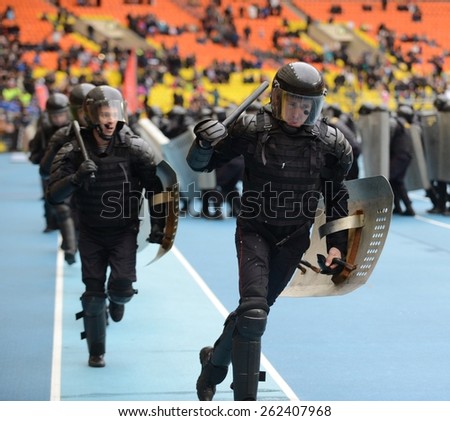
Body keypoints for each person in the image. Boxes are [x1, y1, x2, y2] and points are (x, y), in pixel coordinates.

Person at [186, 62, 353, 400]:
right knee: (254, 311)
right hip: (255, 231)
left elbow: (337, 196)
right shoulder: (251, 129)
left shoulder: (330, 144)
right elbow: (201, 164)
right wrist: (204, 142)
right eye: (293, 103)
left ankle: (213, 362)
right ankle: (242, 399)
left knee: (254, 312)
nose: (298, 112)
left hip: (294, 239)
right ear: (277, 99)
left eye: (307, 106)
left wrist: (338, 245)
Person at [47, 86, 167, 368]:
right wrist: (76, 178)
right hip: (89, 231)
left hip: (125, 230)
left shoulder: (135, 148)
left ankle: (118, 298)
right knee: (92, 297)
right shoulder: (73, 150)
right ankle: (96, 352)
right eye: (103, 113)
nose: (110, 119)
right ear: (91, 116)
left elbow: (157, 187)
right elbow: (54, 194)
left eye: (113, 112)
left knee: (123, 289)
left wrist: (160, 226)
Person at [40, 83, 96, 264]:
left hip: (96, 187)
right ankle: (70, 247)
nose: (86, 115)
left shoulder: (111, 130)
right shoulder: (61, 134)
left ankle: (73, 244)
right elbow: (43, 166)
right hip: (66, 177)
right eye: (81, 110)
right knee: (63, 210)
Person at [29, 92, 72, 232]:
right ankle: (50, 223)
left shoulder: (74, 129)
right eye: (55, 116)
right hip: (49, 171)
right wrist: (40, 158)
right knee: (49, 201)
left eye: (61, 115)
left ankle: (71, 229)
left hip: (69, 170)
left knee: (71, 202)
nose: (59, 119)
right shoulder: (44, 130)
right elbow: (34, 151)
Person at [389, 104, 415, 216]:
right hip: (404, 156)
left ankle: (408, 207)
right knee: (396, 181)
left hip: (399, 156)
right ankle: (400, 207)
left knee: (394, 181)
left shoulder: (396, 122)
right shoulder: (405, 125)